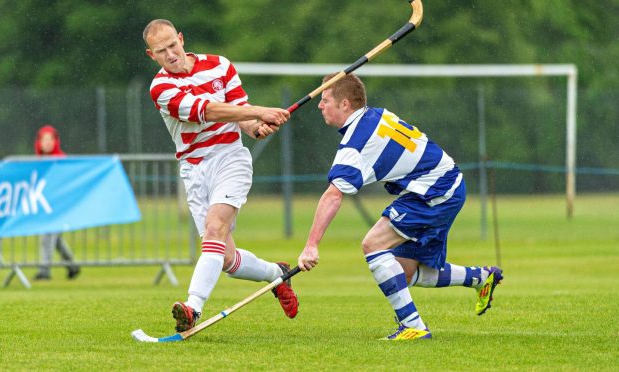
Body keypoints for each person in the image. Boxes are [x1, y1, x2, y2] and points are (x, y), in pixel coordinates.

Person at [297, 74, 503, 340]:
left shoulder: (356, 143)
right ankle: (480, 278)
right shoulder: (375, 114)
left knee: (373, 244)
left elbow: (333, 196)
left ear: (345, 104)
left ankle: (413, 327)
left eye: (325, 99)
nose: (319, 105)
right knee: (403, 271)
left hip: (435, 191)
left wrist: (311, 245)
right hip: (445, 184)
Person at [143, 19, 298, 332]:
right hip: (194, 170)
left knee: (214, 229)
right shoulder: (161, 88)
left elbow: (241, 115)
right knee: (225, 259)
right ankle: (276, 273)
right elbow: (209, 111)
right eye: (162, 51)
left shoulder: (220, 66)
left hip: (230, 159)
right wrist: (258, 112)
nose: (171, 54)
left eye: (173, 45)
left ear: (182, 39)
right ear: (152, 56)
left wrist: (256, 126)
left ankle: (192, 308)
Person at [33, 125, 80, 280]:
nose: (46, 143)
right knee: (56, 239)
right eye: (43, 139)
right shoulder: (38, 161)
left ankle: (44, 271)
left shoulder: (61, 159)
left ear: (55, 141)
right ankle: (72, 266)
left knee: (47, 237)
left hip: (58, 205)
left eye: (49, 139)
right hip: (46, 205)